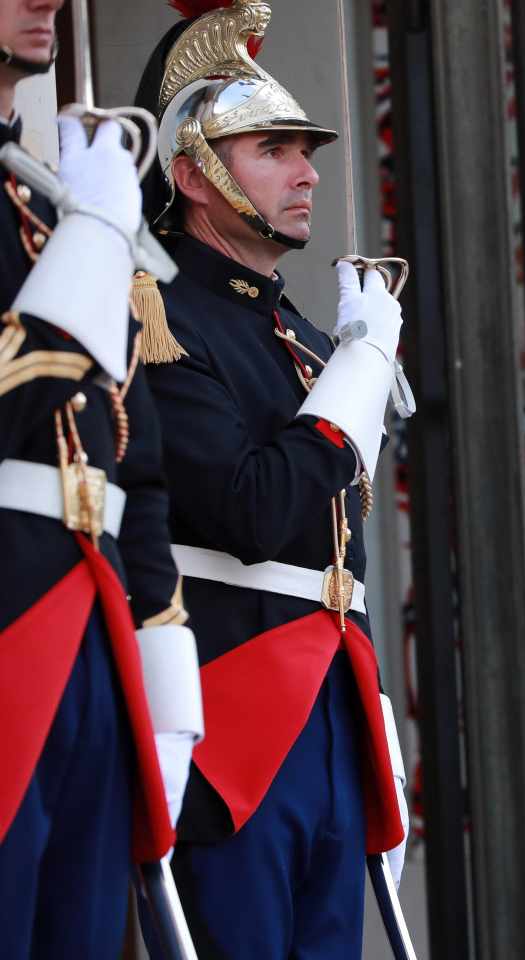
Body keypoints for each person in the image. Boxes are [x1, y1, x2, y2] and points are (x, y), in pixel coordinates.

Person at [130, 1, 408, 954]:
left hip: (332, 709)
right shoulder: (160, 322)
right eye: (272, 149)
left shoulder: (311, 339)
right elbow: (251, 511)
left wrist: (372, 713)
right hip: (229, 720)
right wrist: (361, 374)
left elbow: (345, 552)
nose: (307, 172)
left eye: (307, 149)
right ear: (193, 173)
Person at [0, 0, 202, 954]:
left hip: (89, 633)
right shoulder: (75, 221)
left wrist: (168, 694)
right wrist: (93, 240)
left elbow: (136, 467)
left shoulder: (47, 205)